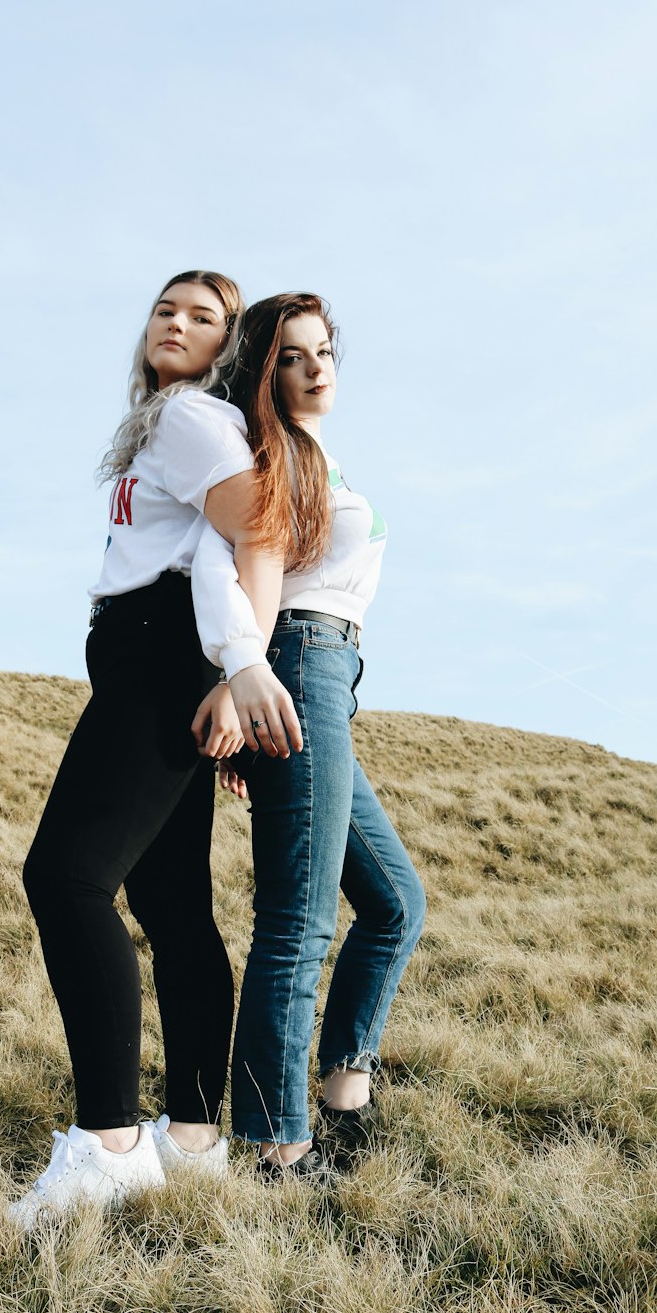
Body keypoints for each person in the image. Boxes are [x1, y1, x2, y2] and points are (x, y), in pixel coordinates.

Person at [8, 271, 300, 1226]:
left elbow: (258, 530)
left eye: (203, 318)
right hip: (166, 656)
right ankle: (193, 1140)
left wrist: (240, 668)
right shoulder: (172, 423)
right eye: (165, 309)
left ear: (227, 348)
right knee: (171, 907)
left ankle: (107, 1147)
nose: (175, 324)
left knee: (66, 877)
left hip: (161, 653)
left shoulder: (189, 419)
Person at [192, 292, 427, 1180]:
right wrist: (238, 680)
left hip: (331, 673)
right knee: (296, 919)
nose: (316, 367)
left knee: (396, 902)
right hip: (295, 663)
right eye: (292, 355)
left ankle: (342, 1095)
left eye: (324, 351)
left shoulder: (319, 453)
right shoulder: (264, 455)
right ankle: (273, 1145)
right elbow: (231, 565)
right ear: (265, 370)